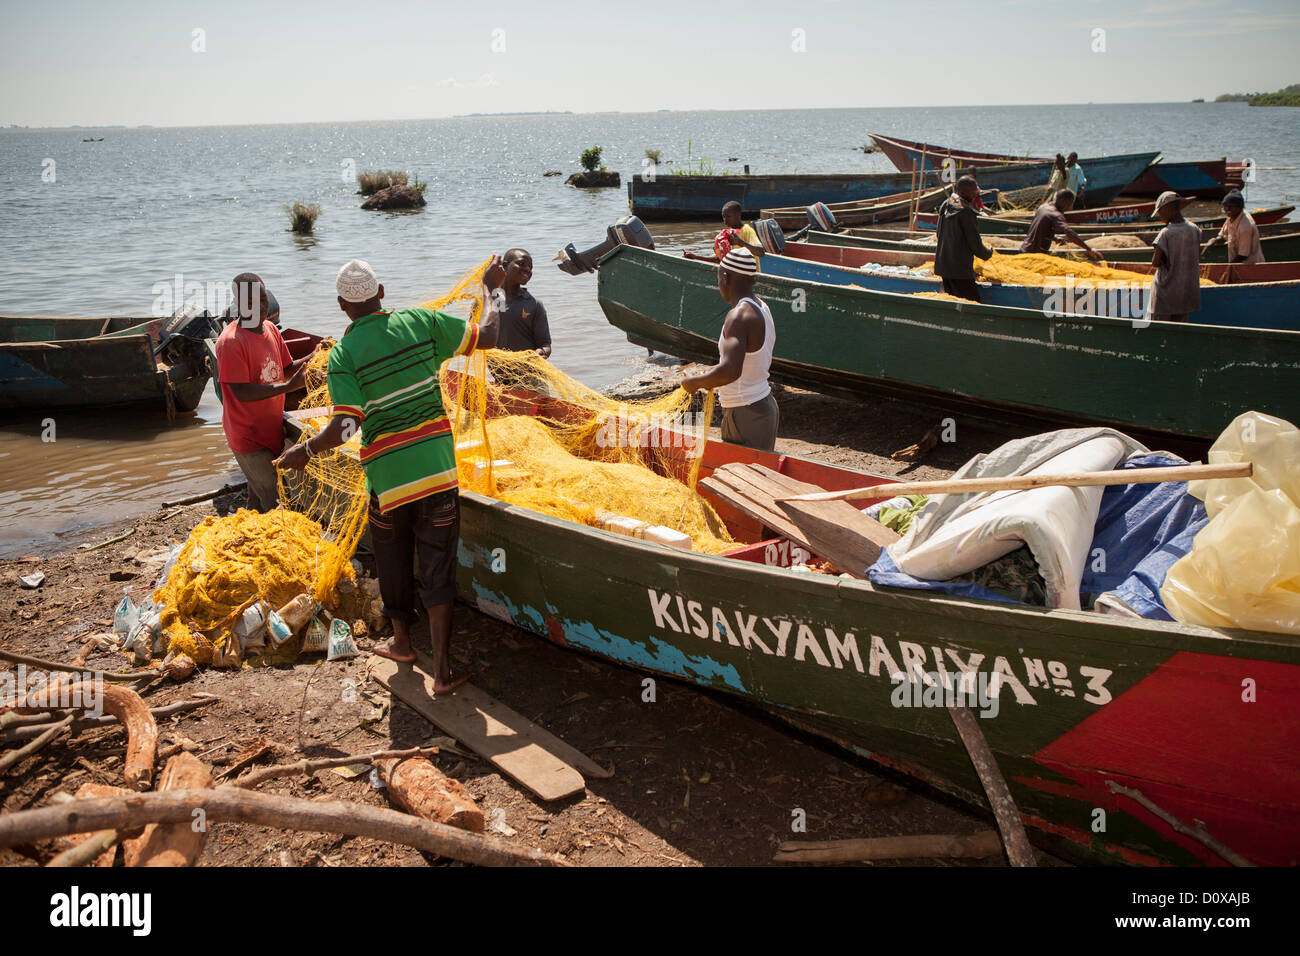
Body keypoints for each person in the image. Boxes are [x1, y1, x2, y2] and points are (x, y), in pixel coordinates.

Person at [276, 257, 507, 690]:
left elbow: (346, 426)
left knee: (393, 562)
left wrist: (305, 450)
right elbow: (490, 334)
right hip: (437, 475)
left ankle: (402, 644)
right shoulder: (421, 323)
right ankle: (442, 671)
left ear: (343, 305)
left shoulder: (344, 355)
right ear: (381, 293)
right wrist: (491, 289)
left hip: (386, 484)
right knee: (438, 567)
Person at [214, 273, 310, 512]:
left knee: (257, 497)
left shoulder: (270, 329)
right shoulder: (231, 341)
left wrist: (315, 356)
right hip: (247, 435)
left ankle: (248, 526)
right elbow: (241, 392)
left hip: (271, 427)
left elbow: (285, 369)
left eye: (264, 300)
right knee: (275, 500)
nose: (260, 307)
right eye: (251, 303)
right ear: (238, 304)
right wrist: (290, 388)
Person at [681, 248, 778, 451]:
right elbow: (746, 361)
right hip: (760, 405)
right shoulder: (761, 307)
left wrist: (693, 382)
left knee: (745, 477)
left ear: (725, 278)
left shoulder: (738, 316)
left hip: (746, 412)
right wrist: (711, 376)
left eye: (718, 279)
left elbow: (730, 371)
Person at [933, 176, 994, 301]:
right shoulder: (966, 213)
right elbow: (975, 246)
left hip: (943, 266)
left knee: (952, 300)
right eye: (973, 193)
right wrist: (988, 252)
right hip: (959, 270)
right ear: (963, 193)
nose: (975, 195)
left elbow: (938, 234)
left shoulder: (946, 204)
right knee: (973, 303)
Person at [1148, 191, 1201, 322]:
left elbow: (1155, 262)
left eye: (1160, 212)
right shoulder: (1195, 230)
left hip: (1165, 294)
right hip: (1185, 293)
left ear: (1169, 208)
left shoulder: (1165, 233)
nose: (1159, 216)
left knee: (1160, 333)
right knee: (1179, 333)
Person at [495, 249, 552, 357]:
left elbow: (545, 344)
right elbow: (474, 334)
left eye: (530, 267)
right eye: (522, 264)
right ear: (505, 265)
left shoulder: (534, 304)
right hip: (497, 369)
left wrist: (541, 352)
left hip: (527, 369)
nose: (527, 269)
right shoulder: (490, 298)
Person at [1020, 190, 1102, 260]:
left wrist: (1054, 238)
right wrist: (1088, 249)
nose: (1070, 207)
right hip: (1035, 255)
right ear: (1064, 201)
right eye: (1070, 203)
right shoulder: (1056, 214)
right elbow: (1069, 232)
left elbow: (1039, 228)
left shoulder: (1043, 207)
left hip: (1025, 249)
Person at [684, 200, 765, 269]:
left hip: (750, 276)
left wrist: (740, 243)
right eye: (723, 217)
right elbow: (720, 259)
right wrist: (696, 257)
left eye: (728, 216)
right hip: (736, 276)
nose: (725, 220)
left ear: (738, 216)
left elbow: (761, 252)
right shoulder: (728, 233)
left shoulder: (747, 231)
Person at [1203, 189, 1264, 264]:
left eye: (1231, 207)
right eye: (1225, 206)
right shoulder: (1231, 216)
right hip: (1237, 262)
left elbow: (1243, 255)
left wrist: (1228, 267)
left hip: (1251, 265)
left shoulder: (1245, 226)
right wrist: (1213, 241)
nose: (1227, 210)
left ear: (1240, 207)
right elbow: (1224, 236)